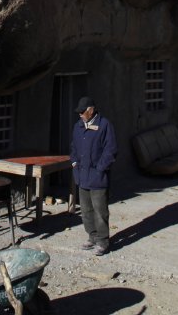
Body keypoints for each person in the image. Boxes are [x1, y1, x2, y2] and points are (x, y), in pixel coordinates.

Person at [69, 96, 117, 256]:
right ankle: (92, 236)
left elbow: (110, 150)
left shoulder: (104, 125)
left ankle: (103, 241)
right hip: (82, 176)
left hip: (97, 177)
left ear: (91, 110)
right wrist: (74, 163)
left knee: (100, 211)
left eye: (82, 112)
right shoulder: (78, 126)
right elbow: (73, 147)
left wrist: (100, 169)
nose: (80, 115)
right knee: (86, 210)